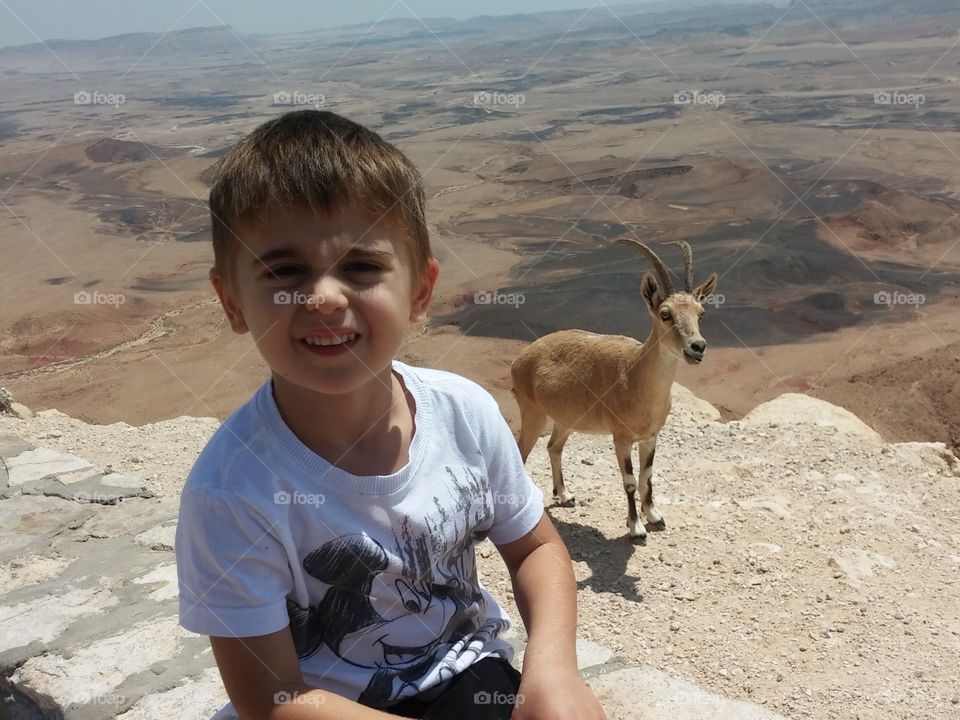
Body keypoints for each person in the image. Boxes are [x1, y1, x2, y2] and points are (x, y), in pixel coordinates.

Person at [175, 109, 605, 720]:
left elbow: (534, 548)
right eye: (284, 271)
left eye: (362, 266)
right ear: (232, 301)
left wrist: (554, 671)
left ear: (421, 291)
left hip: (467, 677)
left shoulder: (464, 413)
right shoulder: (232, 494)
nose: (323, 296)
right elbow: (270, 699)